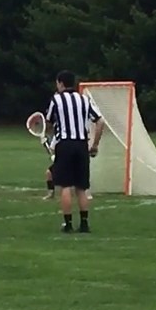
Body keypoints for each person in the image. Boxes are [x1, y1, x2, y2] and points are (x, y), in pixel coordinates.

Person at [46, 70, 104, 233]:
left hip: (65, 144)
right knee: (81, 187)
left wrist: (50, 133)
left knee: (65, 186)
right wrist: (95, 145)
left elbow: (48, 122)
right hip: (81, 145)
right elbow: (100, 121)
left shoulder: (56, 99)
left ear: (60, 83)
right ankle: (84, 223)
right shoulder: (84, 99)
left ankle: (68, 224)